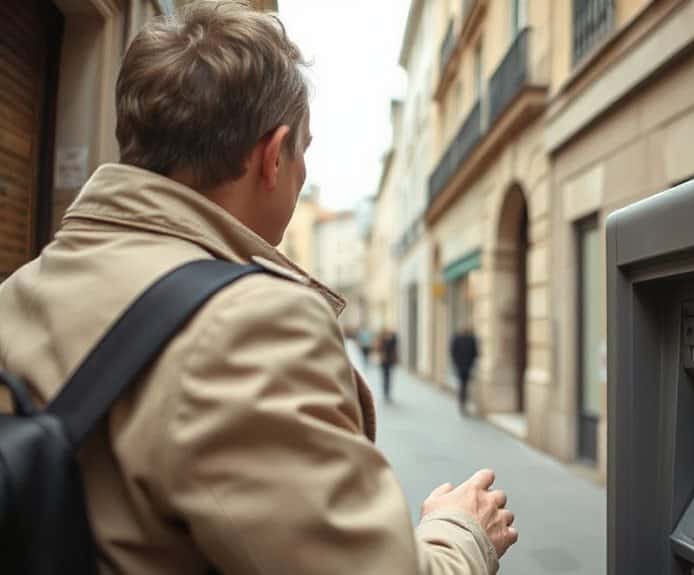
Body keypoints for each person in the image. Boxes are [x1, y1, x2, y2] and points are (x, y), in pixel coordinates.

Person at [0, 3, 516, 574]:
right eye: (304, 150)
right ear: (273, 156)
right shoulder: (251, 325)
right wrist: (461, 534)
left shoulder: (21, 287)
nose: (302, 173)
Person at [451, 328, 480, 415]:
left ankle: (462, 402)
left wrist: (456, 363)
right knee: (465, 385)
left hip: (460, 366)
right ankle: (464, 402)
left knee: (462, 384)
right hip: (468, 366)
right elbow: (476, 353)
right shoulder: (471, 339)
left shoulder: (457, 339)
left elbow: (453, 352)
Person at [378, 328, 398, 402]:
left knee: (389, 377)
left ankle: (388, 393)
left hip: (389, 361)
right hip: (383, 361)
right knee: (384, 377)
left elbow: (394, 349)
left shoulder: (392, 339)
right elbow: (378, 348)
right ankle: (385, 393)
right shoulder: (381, 340)